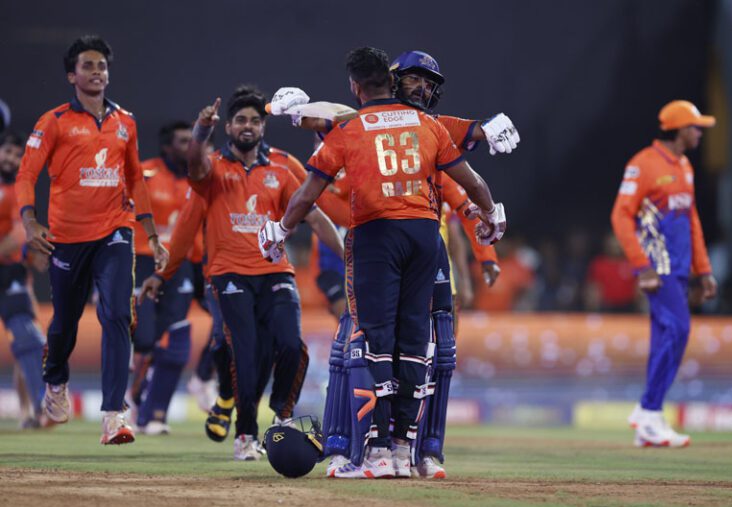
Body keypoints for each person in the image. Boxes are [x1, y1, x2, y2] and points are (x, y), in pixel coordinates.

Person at [260, 47, 505, 479]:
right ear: (392, 81)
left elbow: (308, 189)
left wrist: (280, 230)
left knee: (376, 345)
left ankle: (381, 451)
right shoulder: (427, 124)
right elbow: (469, 178)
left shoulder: (351, 127)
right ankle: (394, 448)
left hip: (376, 237)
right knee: (411, 346)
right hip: (424, 239)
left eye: (428, 83)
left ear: (356, 86)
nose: (423, 88)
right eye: (414, 80)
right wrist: (492, 215)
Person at [15, 35, 168, 445]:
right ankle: (55, 378)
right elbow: (27, 175)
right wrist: (30, 221)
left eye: (102, 65)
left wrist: (150, 234)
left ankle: (114, 414)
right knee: (65, 323)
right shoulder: (54, 121)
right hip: (66, 238)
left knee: (117, 312)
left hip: (116, 231)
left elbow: (136, 178)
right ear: (72, 75)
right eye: (88, 65)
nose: (97, 72)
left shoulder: (126, 122)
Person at [187, 86, 344, 461]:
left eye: (256, 120)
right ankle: (245, 434)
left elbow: (315, 216)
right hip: (229, 275)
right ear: (227, 125)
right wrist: (199, 133)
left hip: (275, 272)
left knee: (292, 345)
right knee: (244, 350)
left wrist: (348, 259)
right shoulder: (213, 166)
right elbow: (194, 166)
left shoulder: (280, 168)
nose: (248, 126)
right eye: (241, 119)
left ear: (263, 126)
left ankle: (283, 415)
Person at [611, 99, 717, 448]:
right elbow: (620, 217)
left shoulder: (685, 167)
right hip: (659, 267)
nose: (700, 133)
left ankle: (648, 422)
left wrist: (704, 270)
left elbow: (693, 220)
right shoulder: (643, 165)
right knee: (680, 329)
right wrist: (642, 266)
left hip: (682, 268)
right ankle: (649, 409)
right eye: (695, 127)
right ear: (680, 130)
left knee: (665, 337)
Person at [130, 121, 196, 435]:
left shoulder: (200, 179)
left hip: (180, 265)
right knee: (144, 338)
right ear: (167, 146)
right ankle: (134, 387)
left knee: (175, 343)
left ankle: (153, 414)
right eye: (183, 141)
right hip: (141, 261)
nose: (189, 146)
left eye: (191, 140)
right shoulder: (144, 173)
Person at [0, 130, 48, 429]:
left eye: (18, 155)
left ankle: (36, 410)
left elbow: (21, 236)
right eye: (7, 152)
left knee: (28, 341)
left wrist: (37, 255)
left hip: (10, 274)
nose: (12, 159)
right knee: (26, 342)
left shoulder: (20, 190)